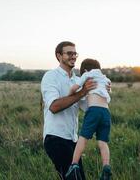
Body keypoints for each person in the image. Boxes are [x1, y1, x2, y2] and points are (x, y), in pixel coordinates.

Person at [41, 41, 98, 180]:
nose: (73, 56)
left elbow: (87, 107)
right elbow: (54, 106)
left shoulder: (78, 81)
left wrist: (100, 91)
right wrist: (82, 92)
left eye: (75, 53)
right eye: (69, 53)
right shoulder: (51, 77)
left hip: (73, 140)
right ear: (59, 56)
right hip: (55, 138)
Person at [65, 58, 112, 180]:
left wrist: (70, 93)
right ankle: (106, 166)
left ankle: (74, 165)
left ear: (85, 70)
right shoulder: (105, 78)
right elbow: (108, 90)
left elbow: (75, 87)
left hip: (94, 111)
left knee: (83, 138)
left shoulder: (87, 74)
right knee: (103, 142)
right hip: (106, 112)